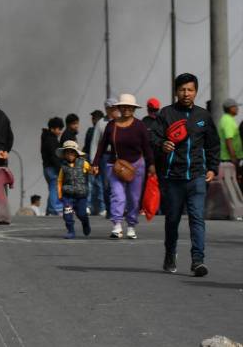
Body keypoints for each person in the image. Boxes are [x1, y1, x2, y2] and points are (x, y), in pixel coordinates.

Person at [153, 73, 219, 276]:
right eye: (182, 89)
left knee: (197, 218)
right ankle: (170, 254)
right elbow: (152, 137)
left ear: (196, 92)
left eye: (190, 89)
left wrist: (212, 168)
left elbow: (213, 144)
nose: (186, 93)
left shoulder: (203, 116)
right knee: (172, 219)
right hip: (173, 177)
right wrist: (162, 144)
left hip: (197, 176)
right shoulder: (166, 113)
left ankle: (198, 261)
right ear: (176, 91)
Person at [92, 94, 155, 239]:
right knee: (117, 196)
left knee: (133, 198)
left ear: (134, 109)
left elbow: (147, 147)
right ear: (119, 108)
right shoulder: (111, 125)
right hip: (116, 166)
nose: (127, 109)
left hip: (137, 166)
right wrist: (95, 163)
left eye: (130, 107)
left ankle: (131, 225)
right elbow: (102, 146)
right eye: (124, 106)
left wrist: (151, 164)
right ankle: (117, 225)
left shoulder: (140, 126)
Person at [56, 140, 93, 238]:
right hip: (68, 196)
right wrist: (60, 194)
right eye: (67, 153)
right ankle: (71, 231)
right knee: (67, 214)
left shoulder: (84, 163)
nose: (69, 155)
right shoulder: (63, 167)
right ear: (64, 155)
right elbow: (60, 180)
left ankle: (85, 222)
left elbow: (91, 171)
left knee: (81, 214)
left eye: (72, 152)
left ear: (76, 153)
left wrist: (94, 170)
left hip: (81, 195)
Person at [40, 117, 65, 215]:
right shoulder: (51, 140)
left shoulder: (47, 138)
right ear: (52, 129)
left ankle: (49, 210)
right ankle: (54, 209)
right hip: (52, 168)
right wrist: (60, 168)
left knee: (52, 188)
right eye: (59, 129)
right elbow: (54, 156)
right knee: (54, 188)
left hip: (47, 168)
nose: (60, 132)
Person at [218, 97, 241, 177]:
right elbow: (228, 140)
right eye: (235, 106)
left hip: (229, 158)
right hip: (228, 159)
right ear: (230, 108)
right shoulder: (228, 121)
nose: (237, 109)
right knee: (231, 179)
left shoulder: (228, 119)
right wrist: (233, 158)